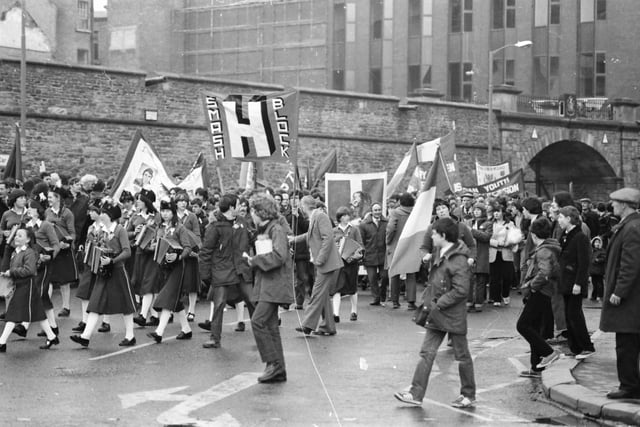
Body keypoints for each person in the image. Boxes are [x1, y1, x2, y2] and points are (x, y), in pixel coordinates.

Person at [394, 218, 476, 408]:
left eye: (435, 233)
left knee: (462, 355)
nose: (431, 235)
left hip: (451, 313)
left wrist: (438, 303)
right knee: (426, 353)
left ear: (444, 236)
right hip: (438, 312)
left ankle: (468, 394)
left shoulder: (459, 259)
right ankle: (415, 393)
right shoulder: (441, 252)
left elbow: (461, 290)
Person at [70, 203, 137, 347]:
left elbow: (127, 251)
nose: (101, 215)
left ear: (110, 216)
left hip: (118, 272)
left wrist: (112, 260)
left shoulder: (120, 230)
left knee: (126, 305)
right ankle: (85, 336)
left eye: (104, 213)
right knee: (95, 303)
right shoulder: (102, 230)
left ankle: (130, 336)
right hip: (104, 272)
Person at [245, 193, 294, 383]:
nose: (252, 216)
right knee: (271, 326)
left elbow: (279, 256)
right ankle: (278, 369)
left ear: (261, 212)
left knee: (258, 321)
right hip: (268, 283)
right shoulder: (268, 228)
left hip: (274, 284)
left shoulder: (276, 230)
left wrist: (255, 260)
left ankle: (273, 363)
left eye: (253, 212)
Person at [599, 188, 640, 399]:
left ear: (624, 205)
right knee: (630, 342)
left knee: (626, 344)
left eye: (614, 202)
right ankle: (631, 384)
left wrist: (619, 291)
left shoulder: (632, 227)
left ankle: (629, 386)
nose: (612, 205)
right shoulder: (630, 224)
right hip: (632, 297)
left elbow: (630, 264)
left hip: (630, 298)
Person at [291, 195, 343, 336]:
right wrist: (293, 239)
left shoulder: (320, 216)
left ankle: (308, 325)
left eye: (301, 206)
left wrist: (320, 259)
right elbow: (309, 235)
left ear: (303, 206)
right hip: (323, 262)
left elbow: (328, 238)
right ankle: (328, 327)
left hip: (326, 263)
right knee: (323, 295)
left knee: (316, 294)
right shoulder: (316, 216)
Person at [0, 228, 59, 352]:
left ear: (27, 239)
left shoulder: (29, 252)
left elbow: (30, 270)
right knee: (38, 313)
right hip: (20, 286)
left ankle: (2, 342)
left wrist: (12, 272)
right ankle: (52, 336)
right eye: (16, 235)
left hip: (27, 286)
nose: (16, 237)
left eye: (20, 236)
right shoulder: (15, 252)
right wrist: (8, 274)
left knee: (12, 314)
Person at [517, 217, 562, 378]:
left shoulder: (543, 250)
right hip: (547, 291)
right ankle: (536, 367)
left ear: (534, 235)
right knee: (534, 327)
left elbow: (545, 272)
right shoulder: (551, 246)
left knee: (522, 325)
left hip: (541, 292)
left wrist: (531, 287)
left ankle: (549, 353)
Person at [146, 200, 193, 344]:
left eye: (168, 211)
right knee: (175, 300)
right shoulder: (159, 228)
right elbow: (152, 244)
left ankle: (159, 332)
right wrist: (153, 246)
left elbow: (188, 247)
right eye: (163, 211)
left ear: (173, 212)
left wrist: (178, 256)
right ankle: (186, 329)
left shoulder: (180, 228)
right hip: (163, 267)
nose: (165, 213)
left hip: (178, 267)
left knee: (167, 299)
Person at [198, 195, 240, 348]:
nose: (241, 207)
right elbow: (205, 251)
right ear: (231, 207)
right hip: (221, 272)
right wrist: (206, 275)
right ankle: (215, 338)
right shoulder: (214, 227)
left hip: (239, 270)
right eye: (239, 205)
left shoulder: (239, 223)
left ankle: (265, 336)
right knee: (219, 304)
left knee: (254, 301)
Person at [556, 206, 595, 359]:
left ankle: (587, 346)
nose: (558, 220)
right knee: (568, 314)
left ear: (569, 218)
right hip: (565, 281)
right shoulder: (564, 235)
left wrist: (579, 283)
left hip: (575, 282)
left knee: (575, 314)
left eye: (560, 217)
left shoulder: (580, 237)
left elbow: (584, 262)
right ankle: (575, 347)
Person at [130, 194, 161, 327]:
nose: (137, 202)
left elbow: (161, 231)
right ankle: (154, 316)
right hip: (140, 252)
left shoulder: (157, 216)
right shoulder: (135, 216)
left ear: (147, 202)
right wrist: (134, 232)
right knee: (143, 283)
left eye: (140, 200)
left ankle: (142, 316)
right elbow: (126, 233)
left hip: (152, 253)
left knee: (148, 284)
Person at [46, 190, 78, 318]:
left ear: (58, 198)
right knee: (49, 280)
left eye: (50, 197)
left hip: (64, 250)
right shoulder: (47, 212)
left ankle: (66, 307)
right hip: (52, 249)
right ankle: (45, 305)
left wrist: (68, 243)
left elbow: (72, 232)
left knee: (64, 282)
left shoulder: (67, 213)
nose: (48, 199)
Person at [331, 206, 363, 323]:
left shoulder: (354, 230)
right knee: (337, 288)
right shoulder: (334, 231)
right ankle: (336, 313)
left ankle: (354, 311)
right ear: (339, 218)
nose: (347, 217)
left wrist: (354, 255)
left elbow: (360, 245)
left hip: (351, 263)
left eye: (348, 215)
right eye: (344, 215)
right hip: (338, 263)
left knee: (352, 287)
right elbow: (330, 246)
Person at [387, 193, 417, 310]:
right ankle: (411, 302)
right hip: (412, 246)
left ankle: (395, 301)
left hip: (396, 245)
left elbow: (390, 228)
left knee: (395, 272)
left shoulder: (395, 212)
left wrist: (388, 241)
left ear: (400, 202)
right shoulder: (416, 212)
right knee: (411, 273)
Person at [488, 204, 522, 306]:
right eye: (494, 211)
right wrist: (496, 243)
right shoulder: (489, 224)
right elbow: (486, 237)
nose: (496, 213)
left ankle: (505, 294)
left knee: (507, 276)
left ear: (503, 212)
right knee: (494, 277)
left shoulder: (510, 224)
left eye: (498, 211)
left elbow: (516, 237)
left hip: (506, 252)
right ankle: (496, 298)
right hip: (494, 252)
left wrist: (508, 243)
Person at [359, 202, 388, 306]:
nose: (378, 212)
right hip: (370, 255)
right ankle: (376, 298)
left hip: (383, 255)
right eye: (375, 210)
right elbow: (361, 241)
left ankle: (383, 295)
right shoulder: (364, 225)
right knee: (372, 279)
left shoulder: (387, 222)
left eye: (379, 209)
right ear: (371, 211)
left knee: (385, 276)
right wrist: (362, 254)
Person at [469, 202, 492, 312]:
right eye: (475, 210)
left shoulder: (488, 224)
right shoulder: (469, 222)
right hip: (470, 254)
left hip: (482, 254)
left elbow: (486, 237)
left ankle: (478, 302)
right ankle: (469, 302)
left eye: (479, 210)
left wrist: (472, 231)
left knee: (480, 280)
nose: (476, 212)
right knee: (469, 280)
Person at [589, 236, 606, 302]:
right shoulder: (592, 251)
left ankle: (600, 295)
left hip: (599, 270)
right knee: (594, 284)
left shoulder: (602, 251)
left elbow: (604, 258)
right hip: (593, 270)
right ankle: (594, 295)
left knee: (599, 284)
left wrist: (598, 260)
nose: (597, 244)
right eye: (596, 242)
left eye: (598, 242)